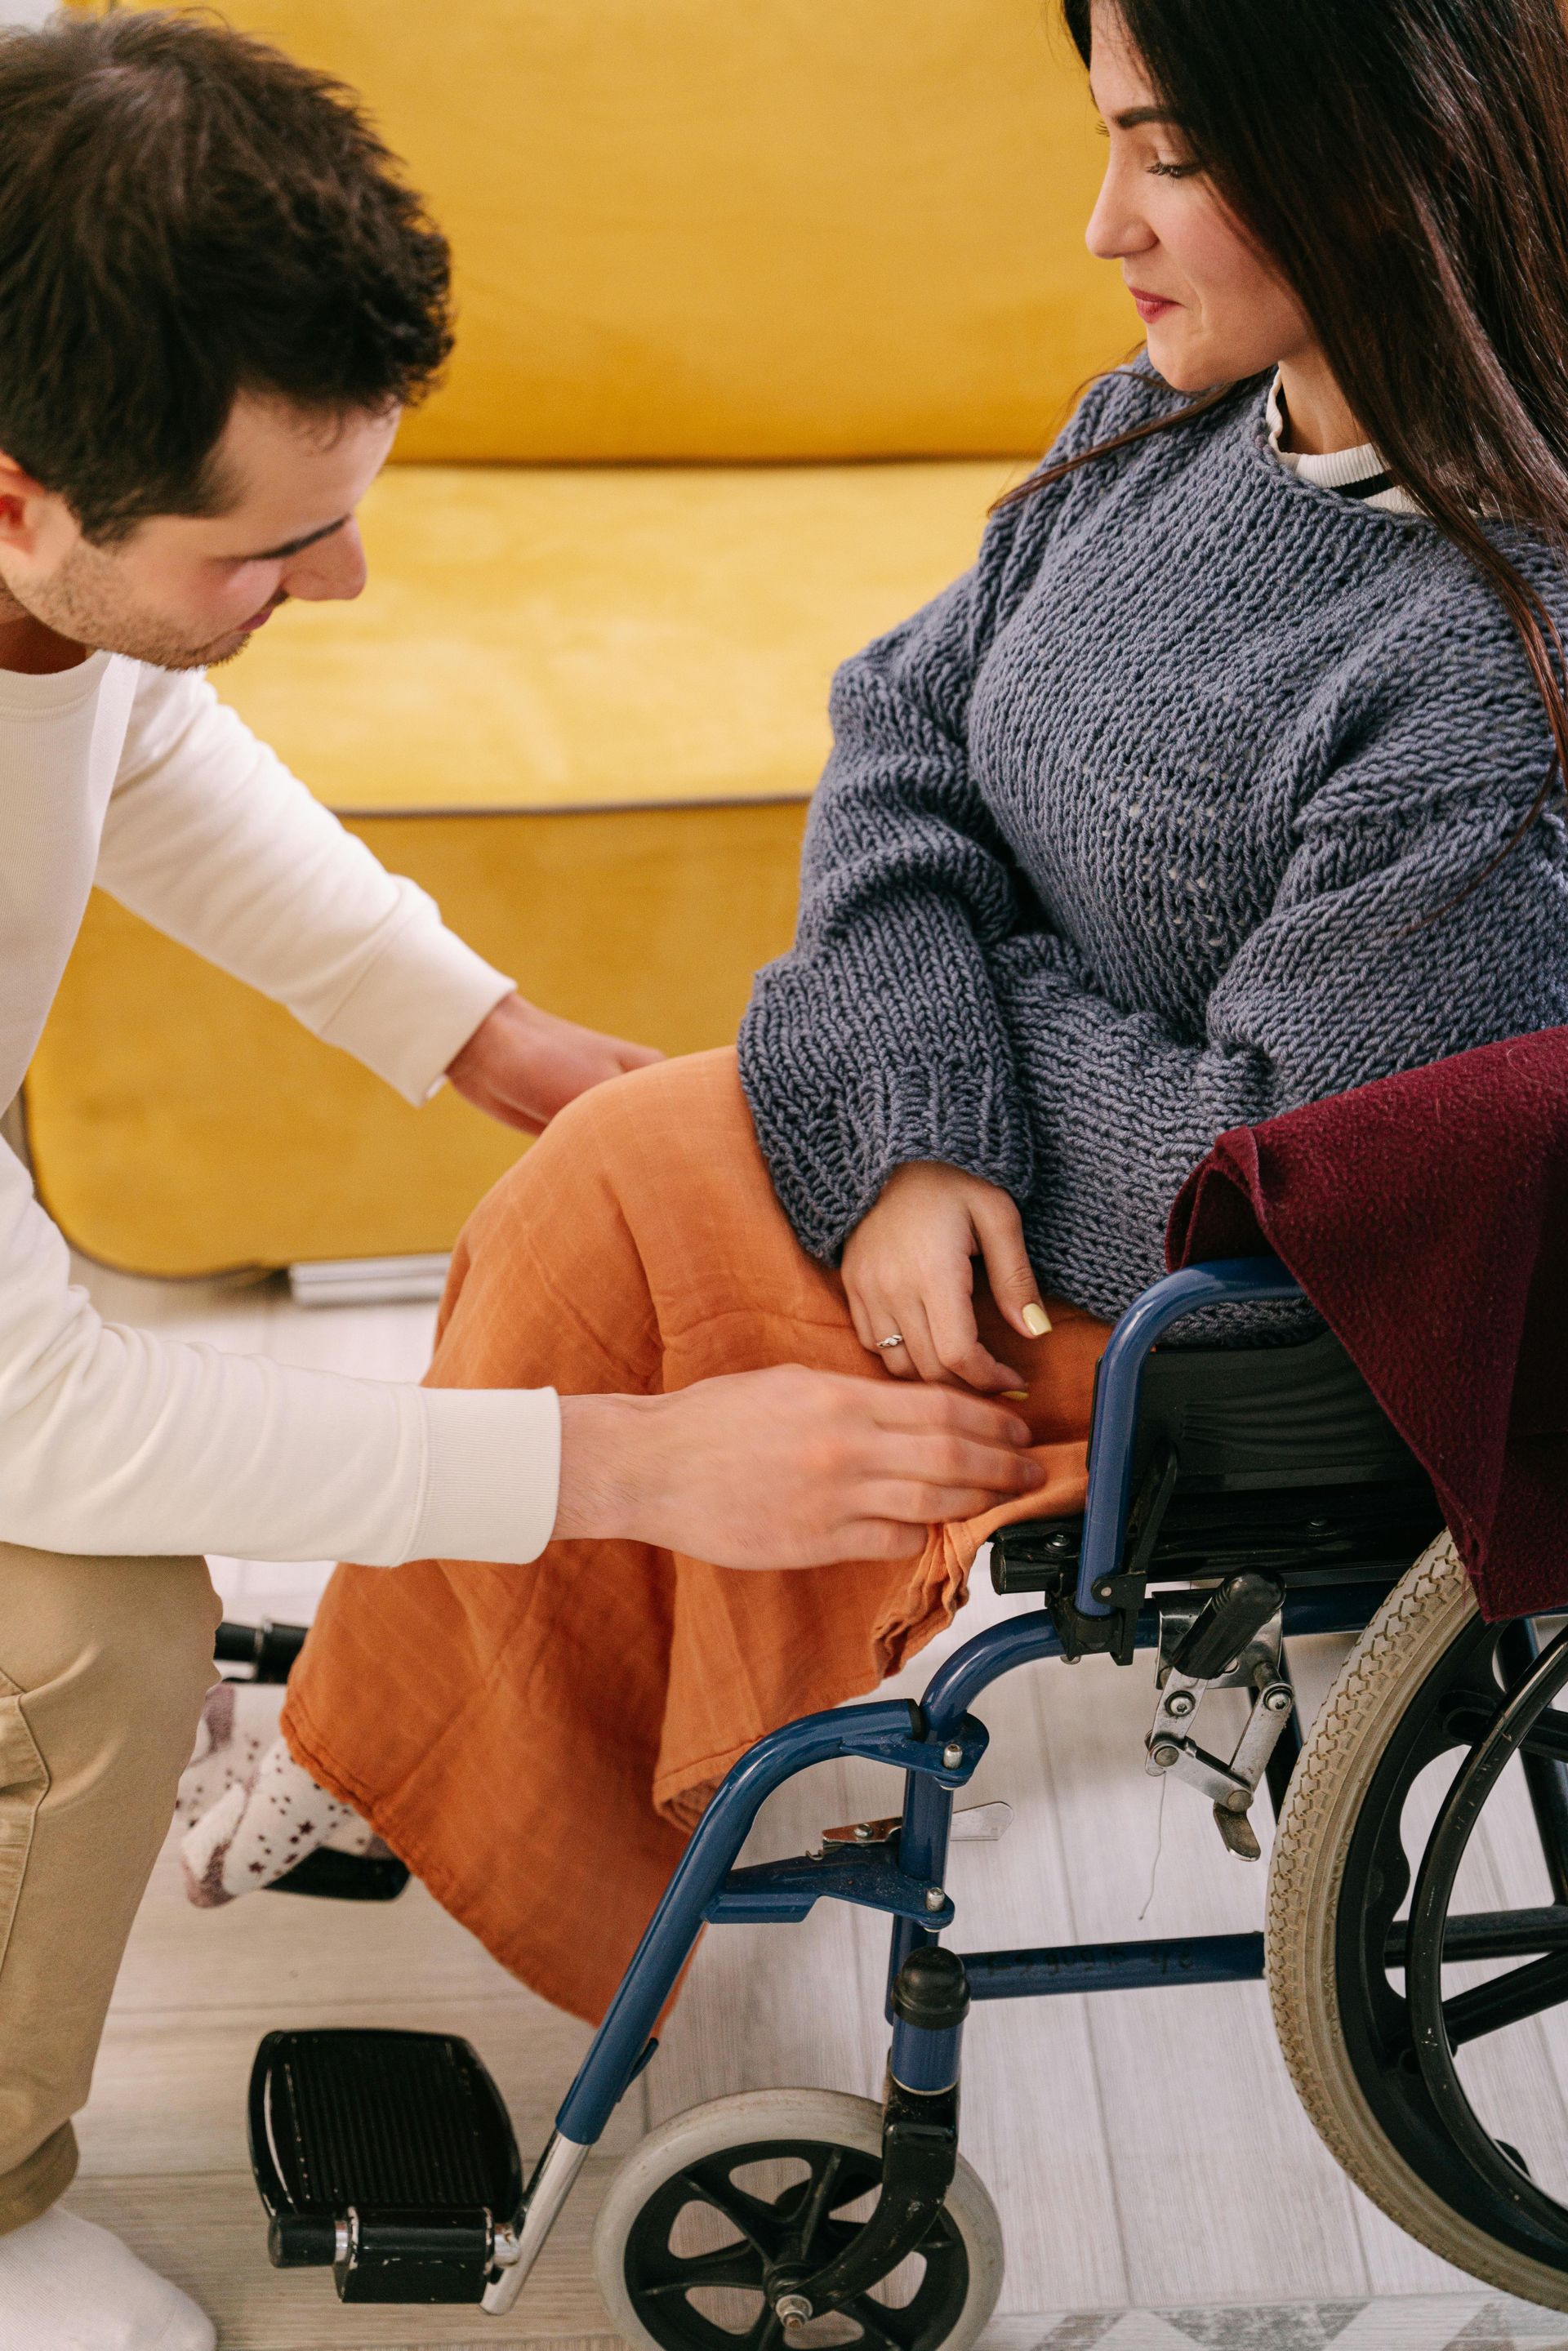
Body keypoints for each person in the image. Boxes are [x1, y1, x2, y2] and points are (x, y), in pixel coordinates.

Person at [223, 0, 1568, 2054]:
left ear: (1389, 163)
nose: (1103, 220)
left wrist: (938, 1090)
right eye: (1108, 137)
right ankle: (418, 1748)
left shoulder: (1485, 658)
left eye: (1170, 156)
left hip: (1206, 1320)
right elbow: (902, 727)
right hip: (1027, 1187)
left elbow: (1278, 1175)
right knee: (624, 1181)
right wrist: (916, 1134)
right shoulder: (1171, 418)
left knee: (637, 1197)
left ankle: (449, 1777)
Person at [0, 16, 1040, 2349]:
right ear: (19, 497)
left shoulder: (58, 574)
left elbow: (131, 734)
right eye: (272, 544)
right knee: (90, 1636)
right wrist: (643, 1463)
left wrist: (499, 1045)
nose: (351, 581)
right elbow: (41, 1418)